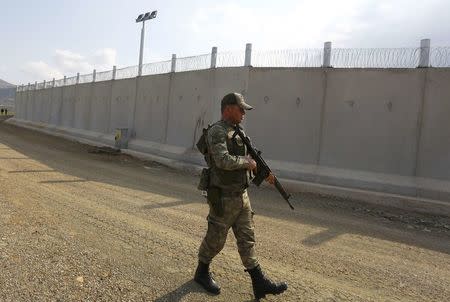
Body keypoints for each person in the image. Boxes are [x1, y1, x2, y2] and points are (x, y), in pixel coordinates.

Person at [194, 92, 287, 300]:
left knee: (247, 239)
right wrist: (247, 163)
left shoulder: (239, 132)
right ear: (228, 108)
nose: (244, 113)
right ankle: (201, 272)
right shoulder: (217, 132)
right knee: (215, 239)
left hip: (242, 195)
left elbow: (251, 160)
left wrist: (262, 173)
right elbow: (222, 161)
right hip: (223, 196)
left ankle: (259, 283)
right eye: (241, 108)